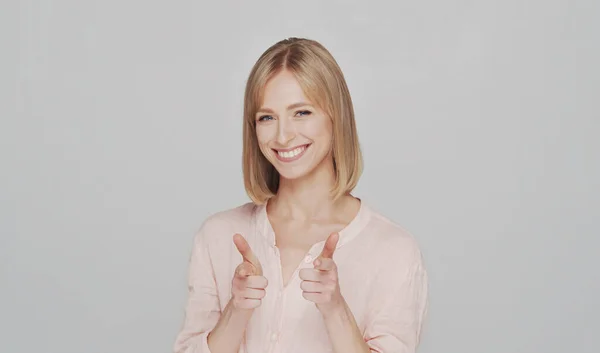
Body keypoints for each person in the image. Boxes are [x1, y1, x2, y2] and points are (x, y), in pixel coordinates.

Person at [173, 37, 428, 353]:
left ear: (336, 117)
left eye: (302, 112)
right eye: (267, 117)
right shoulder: (218, 236)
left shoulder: (393, 250)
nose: (282, 135)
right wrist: (236, 311)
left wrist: (335, 309)